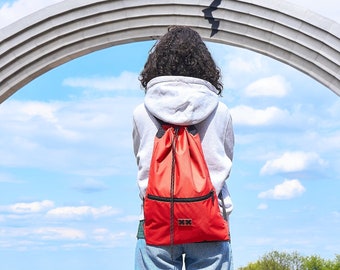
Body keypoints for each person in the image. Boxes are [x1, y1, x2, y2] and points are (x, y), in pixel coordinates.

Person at [132, 26, 234, 270]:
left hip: (156, 220)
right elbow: (226, 160)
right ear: (204, 65)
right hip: (209, 218)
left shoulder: (141, 112)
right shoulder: (221, 112)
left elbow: (141, 159)